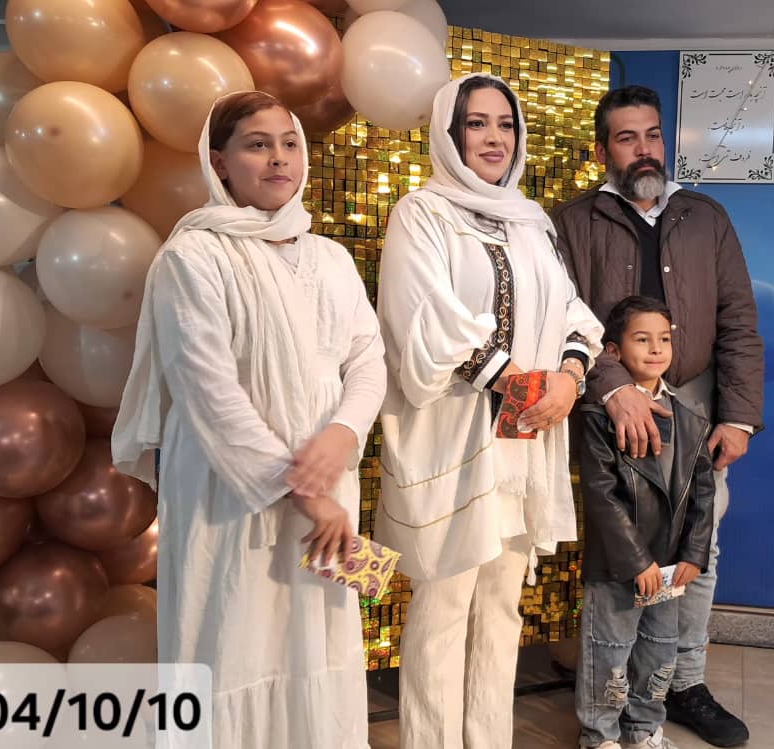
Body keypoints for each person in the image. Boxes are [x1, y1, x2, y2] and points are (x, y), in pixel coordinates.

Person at [112, 90, 386, 748]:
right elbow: (207, 391)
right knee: (230, 644)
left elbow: (367, 357)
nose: (279, 158)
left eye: (289, 143)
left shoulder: (331, 258)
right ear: (220, 162)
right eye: (258, 145)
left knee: (320, 645)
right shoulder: (192, 257)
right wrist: (304, 492)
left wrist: (344, 432)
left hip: (329, 479)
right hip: (231, 493)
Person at [375, 72, 604, 749]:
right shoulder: (423, 213)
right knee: (443, 606)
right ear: (450, 134)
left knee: (502, 604)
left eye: (505, 124)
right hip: (455, 437)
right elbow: (423, 321)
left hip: (525, 440)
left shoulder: (532, 221)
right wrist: (526, 386)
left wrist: (569, 377)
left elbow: (572, 312)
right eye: (477, 123)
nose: (494, 138)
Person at [554, 84, 764, 748]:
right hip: (606, 404)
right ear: (602, 151)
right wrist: (615, 387)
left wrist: (737, 417)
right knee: (620, 544)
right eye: (626, 138)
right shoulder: (572, 222)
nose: (644, 149)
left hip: (694, 403)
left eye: (652, 135)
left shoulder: (706, 216)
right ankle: (610, 699)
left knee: (699, 543)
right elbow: (562, 318)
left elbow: (738, 320)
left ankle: (683, 683)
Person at [576, 295, 714, 749]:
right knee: (609, 652)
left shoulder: (690, 419)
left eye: (664, 339)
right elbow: (601, 494)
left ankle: (643, 729)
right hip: (619, 564)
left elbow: (702, 494)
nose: (656, 349)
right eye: (642, 339)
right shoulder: (598, 415)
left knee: (658, 649)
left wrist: (693, 554)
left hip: (670, 566)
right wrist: (636, 560)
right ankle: (599, 736)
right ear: (613, 351)